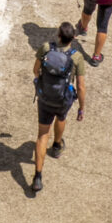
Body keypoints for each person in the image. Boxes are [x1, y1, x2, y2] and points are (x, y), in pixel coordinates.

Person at [29, 21, 87, 195]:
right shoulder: (76, 57)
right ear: (73, 38)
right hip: (63, 99)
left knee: (42, 134)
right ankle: (56, 146)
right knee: (61, 118)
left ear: (58, 35)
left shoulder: (46, 48)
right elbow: (81, 86)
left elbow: (35, 70)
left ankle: (38, 176)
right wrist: (81, 108)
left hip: (45, 97)